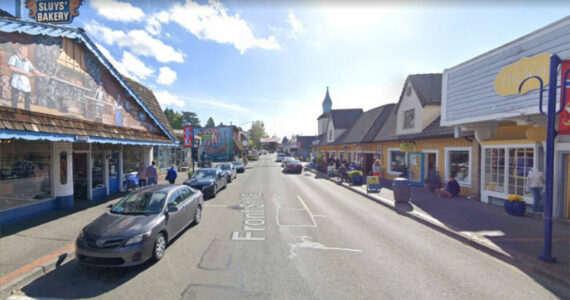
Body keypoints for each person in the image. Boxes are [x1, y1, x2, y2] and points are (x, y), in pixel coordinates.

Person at [7, 46, 49, 111]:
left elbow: (33, 69)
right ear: (20, 50)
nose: (26, 52)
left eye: (26, 51)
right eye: (24, 50)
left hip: (25, 82)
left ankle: (27, 111)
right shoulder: (14, 57)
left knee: (27, 98)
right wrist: (25, 73)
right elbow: (10, 67)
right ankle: (13, 111)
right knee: (15, 98)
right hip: (16, 80)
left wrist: (43, 75)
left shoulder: (27, 61)